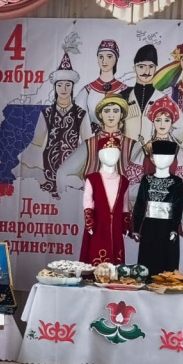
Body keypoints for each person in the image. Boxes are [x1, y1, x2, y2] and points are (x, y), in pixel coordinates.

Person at [20, 52, 89, 199]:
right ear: (55, 86)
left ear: (73, 86)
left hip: (73, 167)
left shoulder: (81, 114)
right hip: (48, 165)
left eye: (68, 85)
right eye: (60, 85)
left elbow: (88, 144)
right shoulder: (46, 113)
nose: (64, 89)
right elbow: (36, 143)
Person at [122, 46, 183, 168]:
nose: (146, 71)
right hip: (124, 155)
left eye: (151, 66)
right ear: (134, 68)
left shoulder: (163, 99)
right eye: (141, 66)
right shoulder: (124, 96)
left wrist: (163, 143)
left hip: (151, 161)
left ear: (156, 68)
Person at [133, 141, 183, 276]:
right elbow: (140, 204)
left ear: (172, 159)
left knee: (167, 264)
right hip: (149, 226)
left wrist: (174, 229)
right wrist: (136, 228)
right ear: (153, 158)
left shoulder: (177, 182)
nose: (162, 159)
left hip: (167, 228)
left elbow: (178, 207)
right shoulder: (146, 180)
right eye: (158, 156)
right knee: (147, 264)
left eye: (166, 157)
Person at [80, 139, 131, 266]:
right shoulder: (93, 179)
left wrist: (125, 226)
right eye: (107, 152)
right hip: (98, 226)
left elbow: (125, 205)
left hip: (116, 227)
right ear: (100, 155)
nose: (112, 155)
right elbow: (87, 203)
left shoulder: (124, 181)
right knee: (96, 257)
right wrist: (89, 222)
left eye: (115, 152)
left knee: (116, 261)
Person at [79, 40, 125, 135]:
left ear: (116, 59)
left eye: (109, 57)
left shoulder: (124, 90)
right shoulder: (87, 91)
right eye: (101, 57)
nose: (104, 61)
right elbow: (81, 122)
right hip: (93, 139)